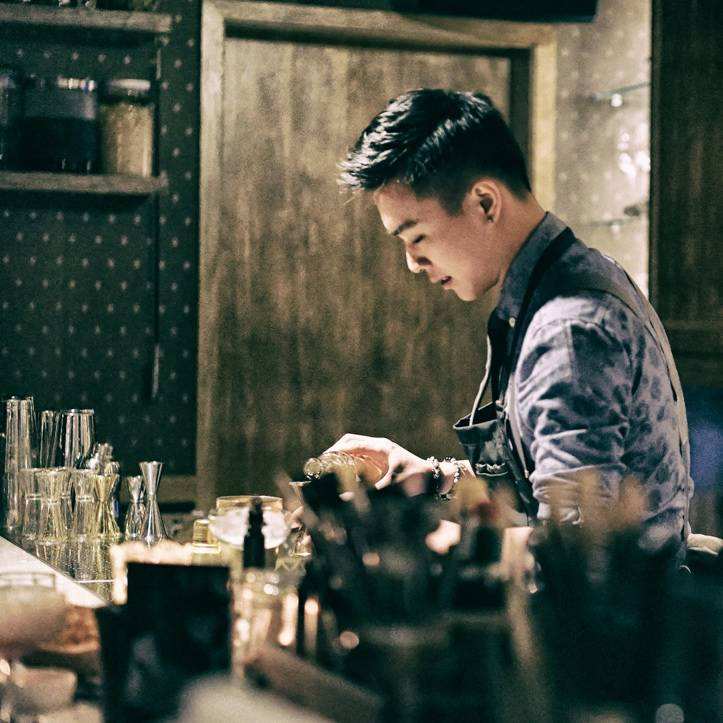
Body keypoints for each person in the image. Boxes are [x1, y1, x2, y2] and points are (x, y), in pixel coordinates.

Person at [328, 89, 693, 551]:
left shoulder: (568, 329)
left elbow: (575, 549)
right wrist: (434, 478)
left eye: (416, 237)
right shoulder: (573, 275)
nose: (412, 263)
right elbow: (548, 482)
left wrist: (421, 536)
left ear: (485, 203)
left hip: (617, 600)